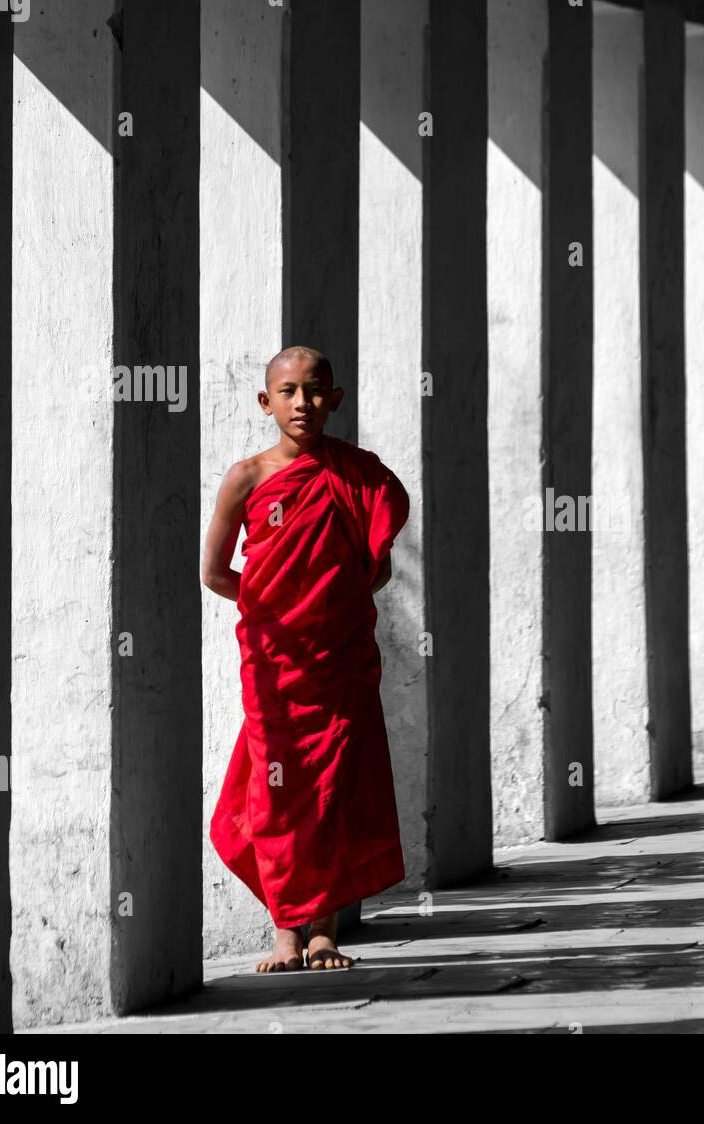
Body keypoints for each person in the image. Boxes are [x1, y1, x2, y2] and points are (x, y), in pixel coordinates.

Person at [201, 345, 409, 972]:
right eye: (287, 392)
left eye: (315, 390)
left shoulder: (358, 475)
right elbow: (214, 573)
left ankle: (323, 931)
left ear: (335, 400)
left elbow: (377, 569)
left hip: (338, 656)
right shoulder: (247, 477)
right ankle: (284, 931)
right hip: (274, 662)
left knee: (333, 787)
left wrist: (325, 607)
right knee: (277, 791)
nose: (302, 403)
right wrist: (275, 608)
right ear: (266, 403)